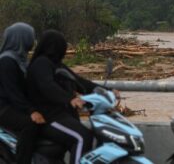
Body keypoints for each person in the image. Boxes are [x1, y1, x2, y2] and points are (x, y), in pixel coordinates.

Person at [26, 29, 102, 164]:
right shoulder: (41, 63)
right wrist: (69, 99)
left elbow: (79, 81)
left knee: (84, 134)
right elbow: (47, 86)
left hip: (60, 115)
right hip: (48, 117)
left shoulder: (56, 65)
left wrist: (106, 90)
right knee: (82, 137)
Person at [0, 22, 46, 164]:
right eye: (30, 37)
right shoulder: (7, 60)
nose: (32, 40)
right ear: (21, 38)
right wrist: (31, 111)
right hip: (4, 107)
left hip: (15, 105)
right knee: (30, 124)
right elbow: (13, 92)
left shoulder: (21, 59)